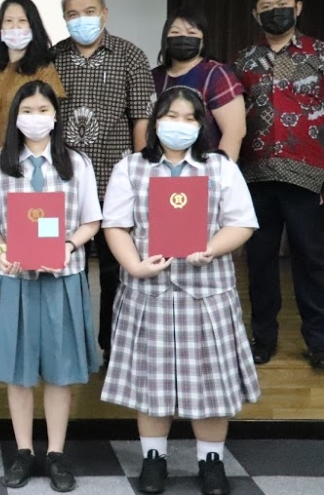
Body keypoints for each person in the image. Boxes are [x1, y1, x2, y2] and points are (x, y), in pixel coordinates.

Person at [100, 86, 261, 495]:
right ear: (155, 121)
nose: (180, 125)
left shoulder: (220, 167)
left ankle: (211, 462)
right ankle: (154, 459)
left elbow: (242, 222)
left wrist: (212, 248)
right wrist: (134, 265)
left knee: (211, 382)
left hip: (207, 293)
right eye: (171, 116)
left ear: (201, 125)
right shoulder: (131, 167)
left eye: (190, 118)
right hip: (147, 292)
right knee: (151, 382)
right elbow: (115, 225)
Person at [0, 80, 102, 492]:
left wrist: (68, 245)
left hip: (63, 279)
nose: (35, 117)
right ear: (16, 117)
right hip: (16, 280)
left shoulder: (76, 163)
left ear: (55, 115)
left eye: (43, 110)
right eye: (27, 110)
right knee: (19, 370)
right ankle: (24, 451)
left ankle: (57, 453)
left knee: (61, 372)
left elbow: (91, 221)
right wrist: (2, 250)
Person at [234, 0, 324, 371]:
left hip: (310, 178)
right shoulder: (244, 60)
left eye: (282, 3)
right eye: (267, 7)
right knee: (259, 263)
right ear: (256, 15)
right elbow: (232, 119)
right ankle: (263, 339)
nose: (276, 11)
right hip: (255, 178)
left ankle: (318, 342)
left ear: (298, 7)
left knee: (311, 262)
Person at [50, 0, 155, 361]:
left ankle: (113, 346)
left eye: (89, 12)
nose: (82, 20)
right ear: (64, 18)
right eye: (73, 14)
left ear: (105, 13)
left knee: (115, 270)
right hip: (63, 186)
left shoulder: (130, 55)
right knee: (65, 269)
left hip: (116, 181)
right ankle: (70, 347)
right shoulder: (53, 57)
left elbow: (141, 117)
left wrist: (140, 175)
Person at [0, 0, 67, 302]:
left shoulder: (44, 69)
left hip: (22, 170)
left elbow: (39, 125)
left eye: (22, 21)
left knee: (25, 248)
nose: (14, 27)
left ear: (33, 26)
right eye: (8, 21)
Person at [151, 7, 246, 160]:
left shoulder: (216, 74)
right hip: (159, 167)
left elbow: (234, 132)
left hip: (205, 167)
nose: (183, 37)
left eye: (192, 33)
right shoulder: (153, 77)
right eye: (175, 32)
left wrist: (222, 170)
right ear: (165, 39)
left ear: (203, 41)